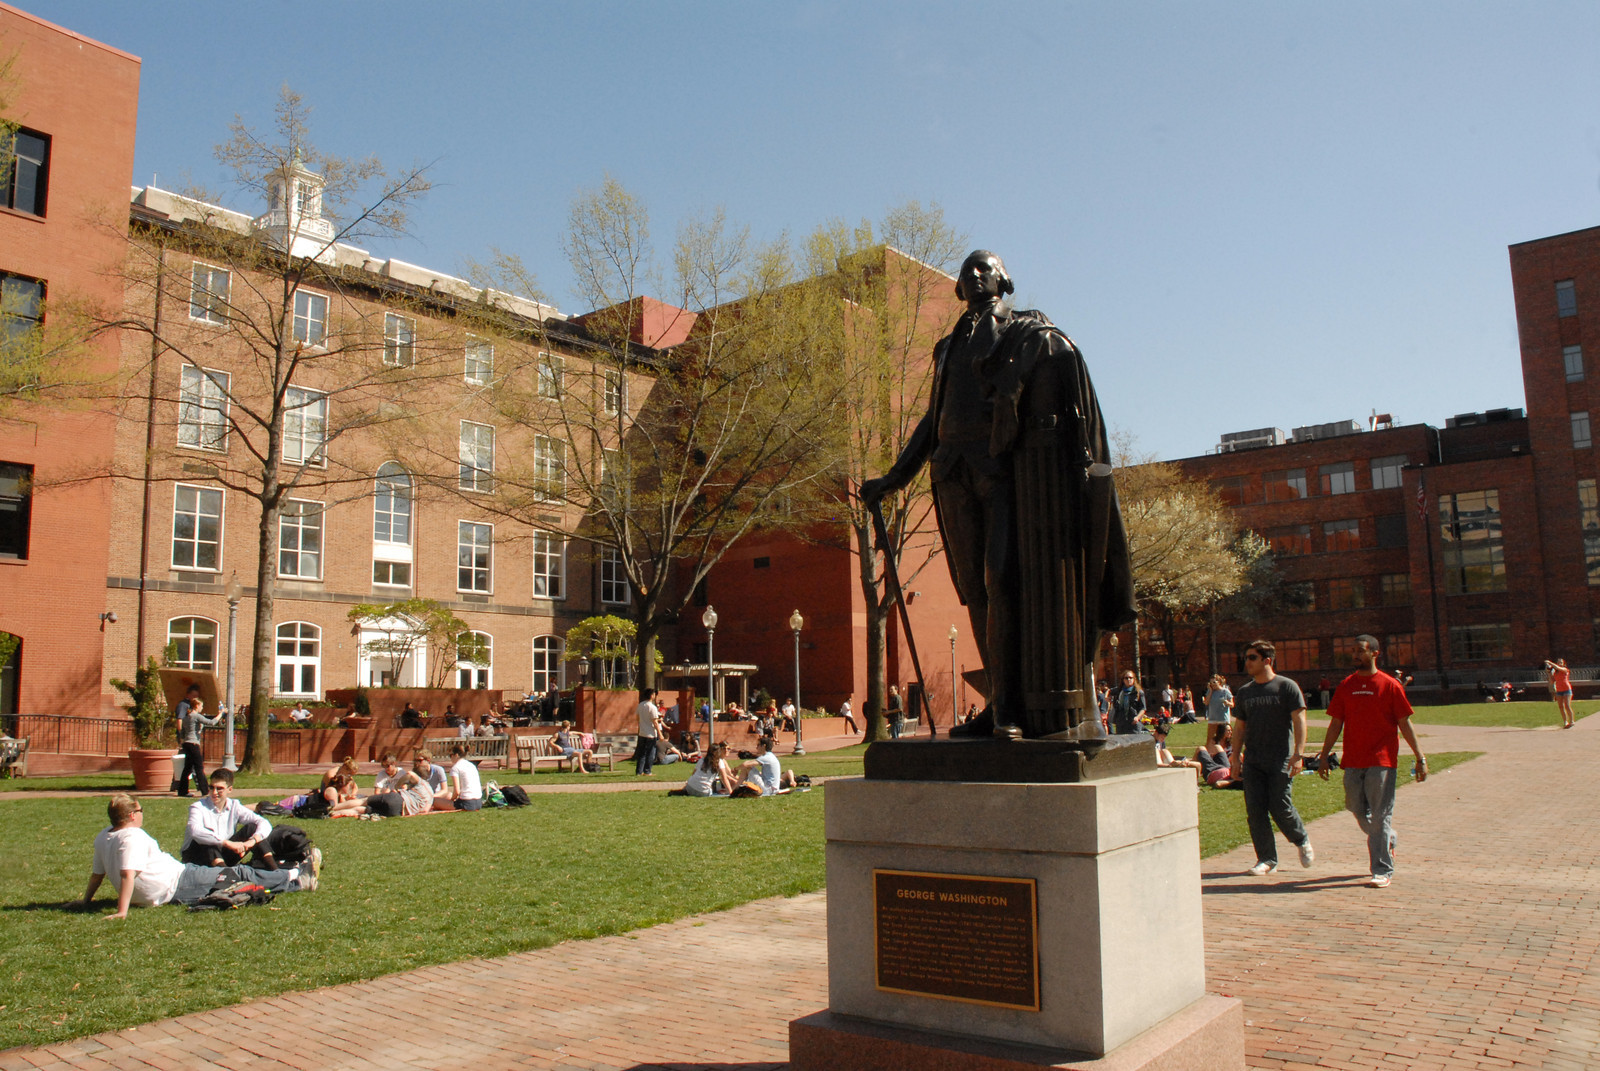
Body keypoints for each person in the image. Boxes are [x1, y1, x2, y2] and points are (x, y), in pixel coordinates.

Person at [861, 251, 1136, 741]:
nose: (974, 275)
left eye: (984, 268)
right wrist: (896, 477)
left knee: (1003, 577)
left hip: (1000, 470)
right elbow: (933, 420)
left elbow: (1057, 359)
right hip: (950, 472)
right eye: (968, 271)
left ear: (1003, 280)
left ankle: (1014, 708)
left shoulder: (1023, 331)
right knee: (975, 590)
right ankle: (997, 705)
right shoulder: (946, 347)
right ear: (959, 288)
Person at [84, 794, 315, 917]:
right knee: (239, 875)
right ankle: (294, 876)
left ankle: (293, 880)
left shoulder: (104, 835)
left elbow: (97, 874)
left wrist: (85, 901)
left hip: (176, 879)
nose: (142, 814)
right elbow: (127, 874)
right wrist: (122, 912)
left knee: (235, 879)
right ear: (132, 815)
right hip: (178, 881)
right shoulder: (131, 837)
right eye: (140, 810)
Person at [1316, 635, 1428, 888]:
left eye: (1360, 651)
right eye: (1352, 651)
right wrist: (1323, 756)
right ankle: (1388, 837)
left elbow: (1405, 723)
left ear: (1375, 654)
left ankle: (1382, 869)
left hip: (1382, 760)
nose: (1355, 655)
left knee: (1380, 816)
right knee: (1356, 809)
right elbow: (1335, 723)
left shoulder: (1389, 685)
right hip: (1353, 761)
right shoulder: (1346, 685)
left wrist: (1420, 757)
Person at [1230, 639, 1314, 877]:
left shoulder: (1287, 686)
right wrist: (1235, 757)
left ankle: (1301, 839)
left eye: (1252, 658)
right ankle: (1267, 859)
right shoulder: (1245, 692)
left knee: (1280, 805)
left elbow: (1300, 720)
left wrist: (1298, 754)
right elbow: (1239, 727)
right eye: (1246, 658)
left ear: (1267, 660)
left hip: (1281, 759)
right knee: (1255, 810)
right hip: (1254, 760)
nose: (1247, 662)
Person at [180, 769, 281, 870]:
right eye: (211, 787)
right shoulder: (198, 807)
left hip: (222, 855)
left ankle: (275, 871)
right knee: (210, 840)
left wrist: (252, 841)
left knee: (252, 828)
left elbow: (264, 822)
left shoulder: (234, 806)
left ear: (230, 789)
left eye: (219, 789)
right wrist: (228, 843)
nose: (214, 792)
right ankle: (228, 877)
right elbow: (196, 831)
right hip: (196, 857)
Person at [174, 686, 220, 797]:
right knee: (199, 767)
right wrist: (221, 713)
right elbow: (212, 722)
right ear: (197, 706)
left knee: (187, 768)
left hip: (186, 743)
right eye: (201, 706)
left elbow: (183, 732)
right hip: (194, 744)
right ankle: (205, 790)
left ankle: (182, 791)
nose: (202, 708)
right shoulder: (196, 716)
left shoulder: (186, 717)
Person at [733, 734, 797, 796]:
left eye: (758, 745)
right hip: (771, 788)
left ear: (764, 746)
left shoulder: (767, 757)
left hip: (768, 790)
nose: (756, 747)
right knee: (748, 768)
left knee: (747, 768)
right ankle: (735, 790)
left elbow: (745, 764)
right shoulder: (770, 756)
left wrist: (735, 769)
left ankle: (734, 791)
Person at [448, 744, 484, 810]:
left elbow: (457, 791)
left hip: (466, 803)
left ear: (456, 755)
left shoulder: (455, 768)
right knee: (447, 796)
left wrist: (452, 799)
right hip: (478, 802)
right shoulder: (471, 765)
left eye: (450, 755)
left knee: (435, 801)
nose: (450, 758)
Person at [1204, 674, 1234, 749]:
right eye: (1211, 683)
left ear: (1219, 682)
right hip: (1213, 718)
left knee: (1223, 738)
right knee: (1210, 739)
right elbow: (1206, 702)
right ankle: (1208, 754)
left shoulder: (1225, 691)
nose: (1212, 684)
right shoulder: (1210, 691)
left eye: (1214, 682)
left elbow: (1232, 704)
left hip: (1223, 719)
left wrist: (1227, 703)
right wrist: (1210, 691)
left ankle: (1226, 753)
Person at [1545, 658, 1576, 729]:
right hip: (1559, 690)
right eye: (1558, 662)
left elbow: (1557, 667)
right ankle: (1565, 721)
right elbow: (1552, 681)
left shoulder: (1565, 670)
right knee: (1561, 706)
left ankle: (1572, 721)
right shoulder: (1555, 672)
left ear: (1563, 664)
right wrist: (1549, 673)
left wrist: (1550, 662)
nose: (1560, 664)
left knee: (1567, 705)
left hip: (1567, 689)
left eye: (1561, 662)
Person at [635, 688, 660, 775]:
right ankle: (647, 771)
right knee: (650, 753)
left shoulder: (640, 705)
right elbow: (655, 722)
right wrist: (660, 734)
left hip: (642, 733)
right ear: (651, 695)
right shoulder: (652, 707)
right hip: (651, 734)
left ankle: (639, 771)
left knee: (641, 753)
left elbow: (637, 718)